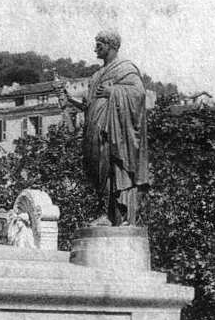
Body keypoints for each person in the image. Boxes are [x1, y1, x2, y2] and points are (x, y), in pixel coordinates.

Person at [55, 31, 150, 226]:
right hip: (94, 132)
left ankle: (121, 216)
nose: (95, 48)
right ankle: (104, 213)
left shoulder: (125, 68)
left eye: (99, 44)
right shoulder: (97, 74)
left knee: (113, 171)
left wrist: (113, 91)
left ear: (111, 45)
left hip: (114, 133)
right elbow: (89, 104)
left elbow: (138, 94)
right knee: (99, 174)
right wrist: (68, 99)